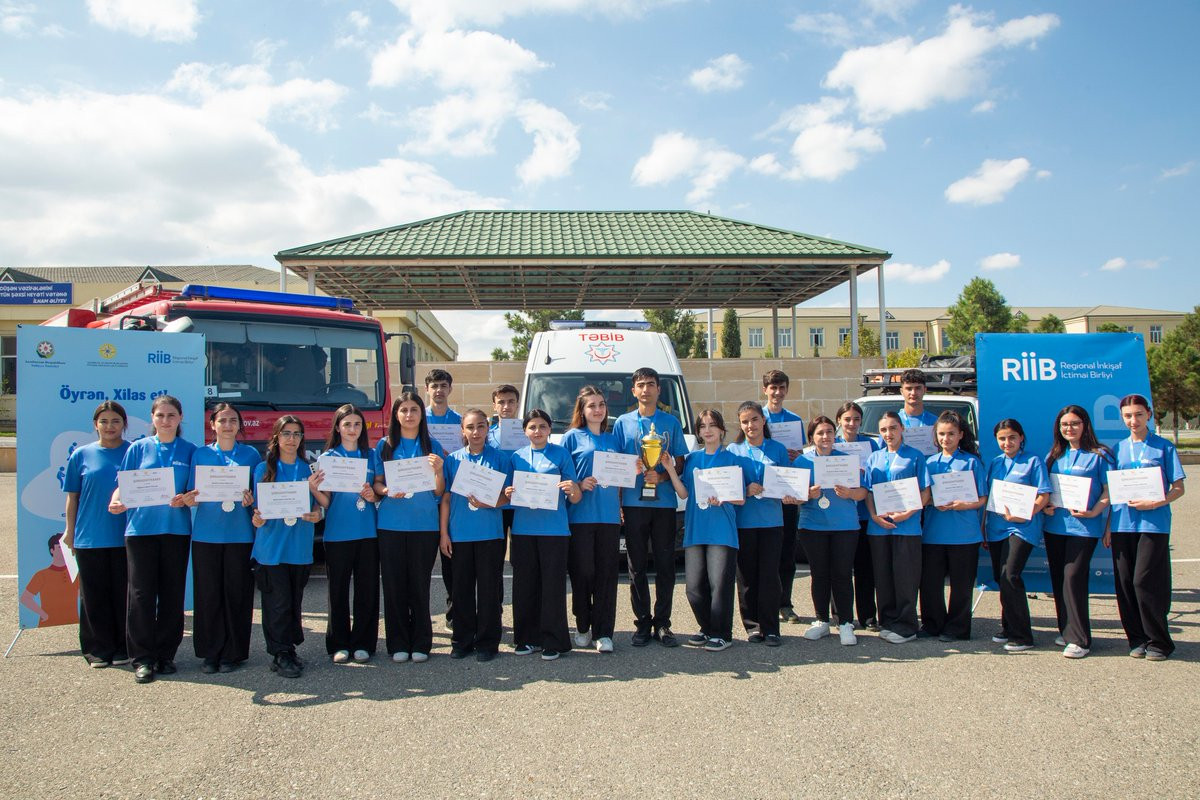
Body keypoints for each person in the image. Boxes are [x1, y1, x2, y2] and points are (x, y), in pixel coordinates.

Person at [109, 395, 196, 684]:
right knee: (141, 595)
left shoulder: (190, 450)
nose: (166, 420)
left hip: (175, 531)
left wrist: (187, 499)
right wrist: (116, 500)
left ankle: (165, 654)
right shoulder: (138, 448)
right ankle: (142, 658)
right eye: (160, 415)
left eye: (171, 415)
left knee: (172, 594)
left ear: (180, 418)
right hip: (141, 531)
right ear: (152, 418)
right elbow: (122, 485)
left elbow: (195, 493)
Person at [612, 367, 687, 648]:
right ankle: (643, 622)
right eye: (641, 385)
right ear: (634, 391)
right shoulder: (622, 423)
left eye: (651, 384)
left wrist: (662, 476)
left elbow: (680, 461)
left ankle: (663, 623)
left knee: (666, 564)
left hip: (664, 503)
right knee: (637, 565)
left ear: (659, 389)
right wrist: (620, 500)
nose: (646, 389)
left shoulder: (671, 422)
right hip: (633, 503)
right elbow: (616, 464)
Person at [1108, 394, 1186, 661]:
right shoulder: (1118, 449)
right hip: (1122, 524)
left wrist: (1156, 502)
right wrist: (1108, 527)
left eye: (1139, 414)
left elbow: (1178, 488)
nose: (1134, 420)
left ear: (1149, 415)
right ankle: (1137, 638)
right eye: (1128, 416)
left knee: (1145, 581)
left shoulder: (1164, 447)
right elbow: (1113, 492)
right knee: (1125, 583)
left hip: (1153, 524)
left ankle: (1159, 641)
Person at [185, 403, 261, 674]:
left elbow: (259, 495)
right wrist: (190, 498)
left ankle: (233, 653)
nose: (228, 425)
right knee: (208, 595)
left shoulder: (251, 455)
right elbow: (192, 493)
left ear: (239, 425)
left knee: (237, 594)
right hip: (206, 535)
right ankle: (210, 653)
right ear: (212, 425)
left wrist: (252, 500)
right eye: (222, 420)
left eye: (233, 420)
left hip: (240, 535)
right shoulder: (201, 454)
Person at [251, 416, 328, 678]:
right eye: (286, 433)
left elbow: (318, 505)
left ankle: (289, 649)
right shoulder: (262, 469)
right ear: (276, 437)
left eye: (296, 434)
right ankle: (280, 653)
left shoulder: (309, 469)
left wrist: (317, 515)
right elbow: (257, 509)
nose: (291, 439)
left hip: (299, 547)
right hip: (272, 549)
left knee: (294, 602)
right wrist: (257, 517)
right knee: (277, 603)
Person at [661, 409, 743, 652]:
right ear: (698, 432)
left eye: (712, 425)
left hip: (721, 529)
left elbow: (740, 498)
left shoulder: (731, 458)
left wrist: (724, 497)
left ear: (721, 430)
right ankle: (707, 627)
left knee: (719, 585)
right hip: (696, 528)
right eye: (703, 426)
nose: (708, 430)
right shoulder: (693, 459)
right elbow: (684, 492)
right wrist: (670, 469)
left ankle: (722, 634)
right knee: (694, 588)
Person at [373, 392, 446, 663]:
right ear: (396, 415)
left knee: (419, 584)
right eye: (403, 410)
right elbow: (377, 483)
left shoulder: (432, 445)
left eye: (414, 409)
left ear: (421, 414)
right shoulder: (385, 445)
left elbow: (439, 491)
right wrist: (386, 490)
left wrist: (439, 470)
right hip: (391, 525)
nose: (409, 415)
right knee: (394, 585)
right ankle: (398, 643)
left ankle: (421, 643)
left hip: (424, 525)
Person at [504, 409, 582, 660]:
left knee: (552, 586)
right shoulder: (516, 457)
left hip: (554, 530)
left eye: (542, 426)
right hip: (524, 529)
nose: (537, 431)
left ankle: (553, 640)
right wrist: (508, 492)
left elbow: (575, 496)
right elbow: (507, 492)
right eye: (532, 427)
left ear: (549, 429)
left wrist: (572, 488)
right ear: (525, 431)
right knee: (525, 586)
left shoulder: (561, 454)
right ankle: (526, 638)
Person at [62, 400, 130, 667]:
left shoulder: (133, 452)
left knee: (123, 594)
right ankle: (98, 649)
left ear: (124, 424)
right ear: (95, 425)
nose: (110, 426)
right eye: (104, 421)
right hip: (89, 536)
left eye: (115, 421)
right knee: (93, 596)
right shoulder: (81, 455)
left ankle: (124, 646)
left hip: (126, 536)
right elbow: (73, 498)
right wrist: (70, 531)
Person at [440, 409, 511, 662]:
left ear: (487, 428)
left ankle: (487, 643)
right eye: (470, 427)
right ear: (463, 431)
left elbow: (507, 497)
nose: (476, 432)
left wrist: (488, 502)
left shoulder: (500, 459)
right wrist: (443, 534)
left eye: (481, 426)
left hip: (489, 534)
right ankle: (462, 641)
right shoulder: (453, 460)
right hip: (460, 534)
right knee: (461, 590)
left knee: (489, 591)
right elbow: (446, 499)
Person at [1042, 405, 1113, 659]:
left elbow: (1110, 491)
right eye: (1064, 425)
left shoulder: (1100, 455)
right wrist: (1045, 507)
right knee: (1059, 579)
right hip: (1055, 526)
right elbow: (1045, 491)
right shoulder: (1054, 455)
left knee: (1073, 578)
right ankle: (1066, 631)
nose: (1069, 428)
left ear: (1085, 425)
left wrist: (1095, 512)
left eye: (1074, 423)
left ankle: (1081, 639)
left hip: (1084, 528)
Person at [791, 415, 867, 646]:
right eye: (820, 433)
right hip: (812, 526)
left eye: (829, 432)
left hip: (845, 526)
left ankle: (845, 622)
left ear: (835, 435)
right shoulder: (802, 462)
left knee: (842, 574)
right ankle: (821, 620)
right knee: (819, 574)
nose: (825, 437)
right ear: (811, 437)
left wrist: (850, 493)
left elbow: (863, 492)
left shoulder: (847, 460)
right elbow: (792, 498)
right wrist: (807, 494)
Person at [560, 386, 623, 654]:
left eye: (601, 405)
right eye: (591, 405)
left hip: (608, 517)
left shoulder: (613, 440)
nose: (597, 410)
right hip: (580, 516)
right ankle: (583, 625)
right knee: (582, 573)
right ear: (582, 410)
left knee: (607, 576)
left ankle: (604, 632)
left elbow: (621, 478)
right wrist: (579, 483)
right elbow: (562, 473)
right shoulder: (571, 438)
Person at [320, 404, 382, 665]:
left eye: (357, 424)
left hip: (367, 533)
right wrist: (313, 489)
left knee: (367, 590)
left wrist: (373, 495)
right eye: (347, 424)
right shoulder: (328, 458)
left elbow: (379, 489)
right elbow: (326, 501)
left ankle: (363, 643)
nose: (352, 429)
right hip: (337, 534)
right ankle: (339, 643)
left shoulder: (371, 455)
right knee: (338, 591)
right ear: (338, 427)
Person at [984, 418, 1051, 653]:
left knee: (1011, 575)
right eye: (1002, 439)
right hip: (996, 527)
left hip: (1022, 528)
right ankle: (1008, 626)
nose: (1007, 442)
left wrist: (1025, 514)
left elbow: (1043, 495)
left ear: (1021, 437)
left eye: (1012, 437)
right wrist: (983, 528)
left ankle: (1023, 635)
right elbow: (990, 497)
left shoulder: (1033, 461)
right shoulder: (996, 462)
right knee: (1000, 576)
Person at [863, 411, 930, 644]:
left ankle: (907, 627)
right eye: (883, 429)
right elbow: (868, 492)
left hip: (906, 527)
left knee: (905, 577)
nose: (888, 433)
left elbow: (925, 492)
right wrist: (874, 516)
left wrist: (907, 514)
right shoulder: (874, 458)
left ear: (902, 429)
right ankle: (888, 621)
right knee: (883, 577)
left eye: (893, 428)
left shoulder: (915, 456)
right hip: (879, 527)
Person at [920, 411, 986, 642]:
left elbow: (983, 498)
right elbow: (923, 497)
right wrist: (931, 501)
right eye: (941, 434)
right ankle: (932, 624)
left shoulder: (971, 462)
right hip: (933, 534)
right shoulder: (929, 463)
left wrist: (963, 505)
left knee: (961, 585)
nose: (945, 438)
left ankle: (957, 628)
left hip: (964, 534)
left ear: (960, 435)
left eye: (950, 434)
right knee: (930, 583)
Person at [728, 401, 789, 646]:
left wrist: (788, 493)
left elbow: (788, 482)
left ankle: (771, 628)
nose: (750, 425)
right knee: (746, 578)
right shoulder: (733, 450)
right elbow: (728, 486)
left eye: (754, 419)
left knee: (769, 576)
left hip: (772, 521)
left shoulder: (778, 449)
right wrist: (745, 489)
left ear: (763, 420)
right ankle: (753, 626)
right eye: (745, 422)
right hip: (744, 522)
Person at [761, 370, 806, 625]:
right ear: (765, 389)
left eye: (781, 388)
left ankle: (785, 603)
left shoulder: (795, 420)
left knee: (787, 551)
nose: (777, 393)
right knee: (765, 553)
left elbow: (801, 456)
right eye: (773, 388)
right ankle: (764, 601)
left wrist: (797, 455)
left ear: (787, 390)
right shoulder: (757, 417)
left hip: (787, 492)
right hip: (764, 494)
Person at [835, 401, 881, 631]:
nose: (851, 424)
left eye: (856, 419)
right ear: (839, 421)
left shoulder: (871, 444)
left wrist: (863, 473)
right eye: (847, 419)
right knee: (840, 569)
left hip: (863, 513)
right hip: (838, 515)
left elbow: (875, 476)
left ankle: (868, 616)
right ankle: (840, 615)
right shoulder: (832, 443)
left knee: (865, 568)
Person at [425, 369, 462, 631]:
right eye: (434, 385)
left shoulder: (459, 421)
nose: (439, 390)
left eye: (443, 385)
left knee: (451, 559)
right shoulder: (419, 419)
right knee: (424, 561)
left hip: (452, 497)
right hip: (426, 499)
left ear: (450, 389)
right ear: (427, 389)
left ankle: (453, 610)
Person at [20, 534, 80, 628]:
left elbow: (82, 595)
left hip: (73, 621)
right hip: (48, 623)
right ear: (52, 550)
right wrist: (44, 615)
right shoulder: (42, 575)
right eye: (59, 547)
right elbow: (25, 598)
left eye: (65, 547)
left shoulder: (75, 572)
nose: (63, 550)